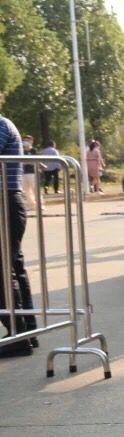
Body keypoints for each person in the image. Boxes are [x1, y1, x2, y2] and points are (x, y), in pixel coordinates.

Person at [0, 112, 36, 357]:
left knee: (4, 270)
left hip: (5, 201)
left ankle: (18, 334)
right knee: (13, 267)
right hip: (8, 201)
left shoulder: (1, 125)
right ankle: (27, 331)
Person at [20, 134, 39, 212]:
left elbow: (34, 161)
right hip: (23, 172)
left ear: (31, 141)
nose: (25, 142)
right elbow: (21, 161)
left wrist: (27, 162)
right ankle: (31, 205)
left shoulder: (33, 150)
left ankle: (39, 205)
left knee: (35, 189)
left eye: (27, 140)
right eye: (24, 140)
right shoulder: (21, 150)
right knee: (26, 190)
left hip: (32, 172)